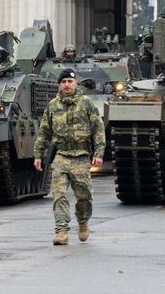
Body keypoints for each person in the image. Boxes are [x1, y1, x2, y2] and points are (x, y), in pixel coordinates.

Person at [33, 69, 105, 246]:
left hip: (81, 156)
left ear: (75, 83)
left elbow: (98, 129)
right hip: (61, 155)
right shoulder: (52, 106)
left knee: (84, 196)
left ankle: (83, 221)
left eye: (70, 81)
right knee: (59, 194)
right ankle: (61, 230)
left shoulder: (87, 103)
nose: (67, 85)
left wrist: (99, 153)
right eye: (63, 81)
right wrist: (38, 154)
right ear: (60, 84)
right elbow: (44, 132)